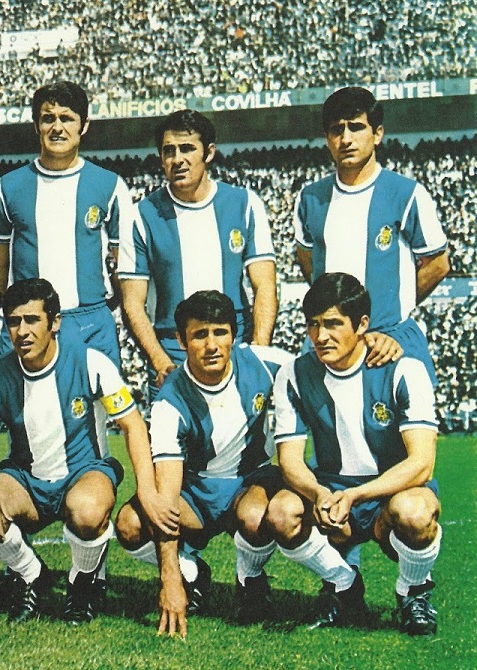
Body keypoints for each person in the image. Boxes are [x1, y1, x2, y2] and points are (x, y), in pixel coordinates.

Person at [0, 278, 156, 624]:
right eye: (13, 321)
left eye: (32, 320)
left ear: (54, 322)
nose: (22, 331)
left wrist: (146, 490)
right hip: (26, 479)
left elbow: (133, 425)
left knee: (88, 511)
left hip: (84, 472)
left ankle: (82, 583)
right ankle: (32, 574)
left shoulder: (91, 362)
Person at [268, 273, 442, 635]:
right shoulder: (294, 375)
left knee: (415, 513)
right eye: (313, 324)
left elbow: (421, 464)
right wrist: (320, 494)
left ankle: (413, 591)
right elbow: (290, 461)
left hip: (391, 492)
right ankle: (342, 584)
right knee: (282, 513)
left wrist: (357, 495)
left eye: (333, 324)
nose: (321, 336)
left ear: (362, 325)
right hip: (331, 491)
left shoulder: (406, 370)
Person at [115, 291, 291, 637]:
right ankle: (191, 572)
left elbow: (325, 364)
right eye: (199, 335)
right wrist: (170, 579)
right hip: (193, 493)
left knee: (256, 517)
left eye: (220, 333)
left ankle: (250, 580)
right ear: (181, 341)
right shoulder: (169, 403)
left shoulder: (264, 363)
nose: (211, 345)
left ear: (234, 335)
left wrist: (374, 344)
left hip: (247, 482)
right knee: (130, 524)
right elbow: (167, 498)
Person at [293, 86, 450, 379]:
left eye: (356, 127)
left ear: (377, 134)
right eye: (337, 130)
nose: (346, 139)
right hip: (331, 341)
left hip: (390, 337)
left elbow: (438, 264)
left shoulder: (408, 194)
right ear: (327, 139)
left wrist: (393, 310)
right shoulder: (310, 198)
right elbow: (308, 260)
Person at [120, 110, 277, 399]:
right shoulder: (141, 216)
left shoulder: (244, 204)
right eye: (169, 151)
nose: (177, 159)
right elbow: (132, 302)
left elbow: (265, 285)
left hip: (235, 348)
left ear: (209, 152)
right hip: (173, 354)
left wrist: (258, 350)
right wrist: (160, 361)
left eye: (187, 148)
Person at [0, 81, 136, 366]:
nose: (57, 127)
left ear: (84, 125)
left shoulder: (111, 186)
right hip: (28, 324)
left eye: (67, 118)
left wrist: (99, 306)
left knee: (104, 397)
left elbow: (124, 267)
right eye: (48, 118)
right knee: (19, 396)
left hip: (90, 324)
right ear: (36, 125)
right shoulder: (6, 188)